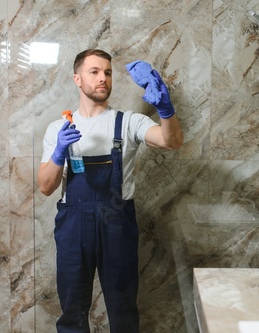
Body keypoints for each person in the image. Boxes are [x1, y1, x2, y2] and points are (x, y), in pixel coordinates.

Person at [37, 49, 183, 333]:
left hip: (117, 224)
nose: (102, 78)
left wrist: (166, 109)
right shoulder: (59, 128)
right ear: (77, 79)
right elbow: (45, 187)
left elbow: (172, 141)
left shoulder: (128, 122)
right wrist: (58, 153)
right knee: (72, 311)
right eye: (94, 72)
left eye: (107, 72)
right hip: (73, 226)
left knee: (123, 309)